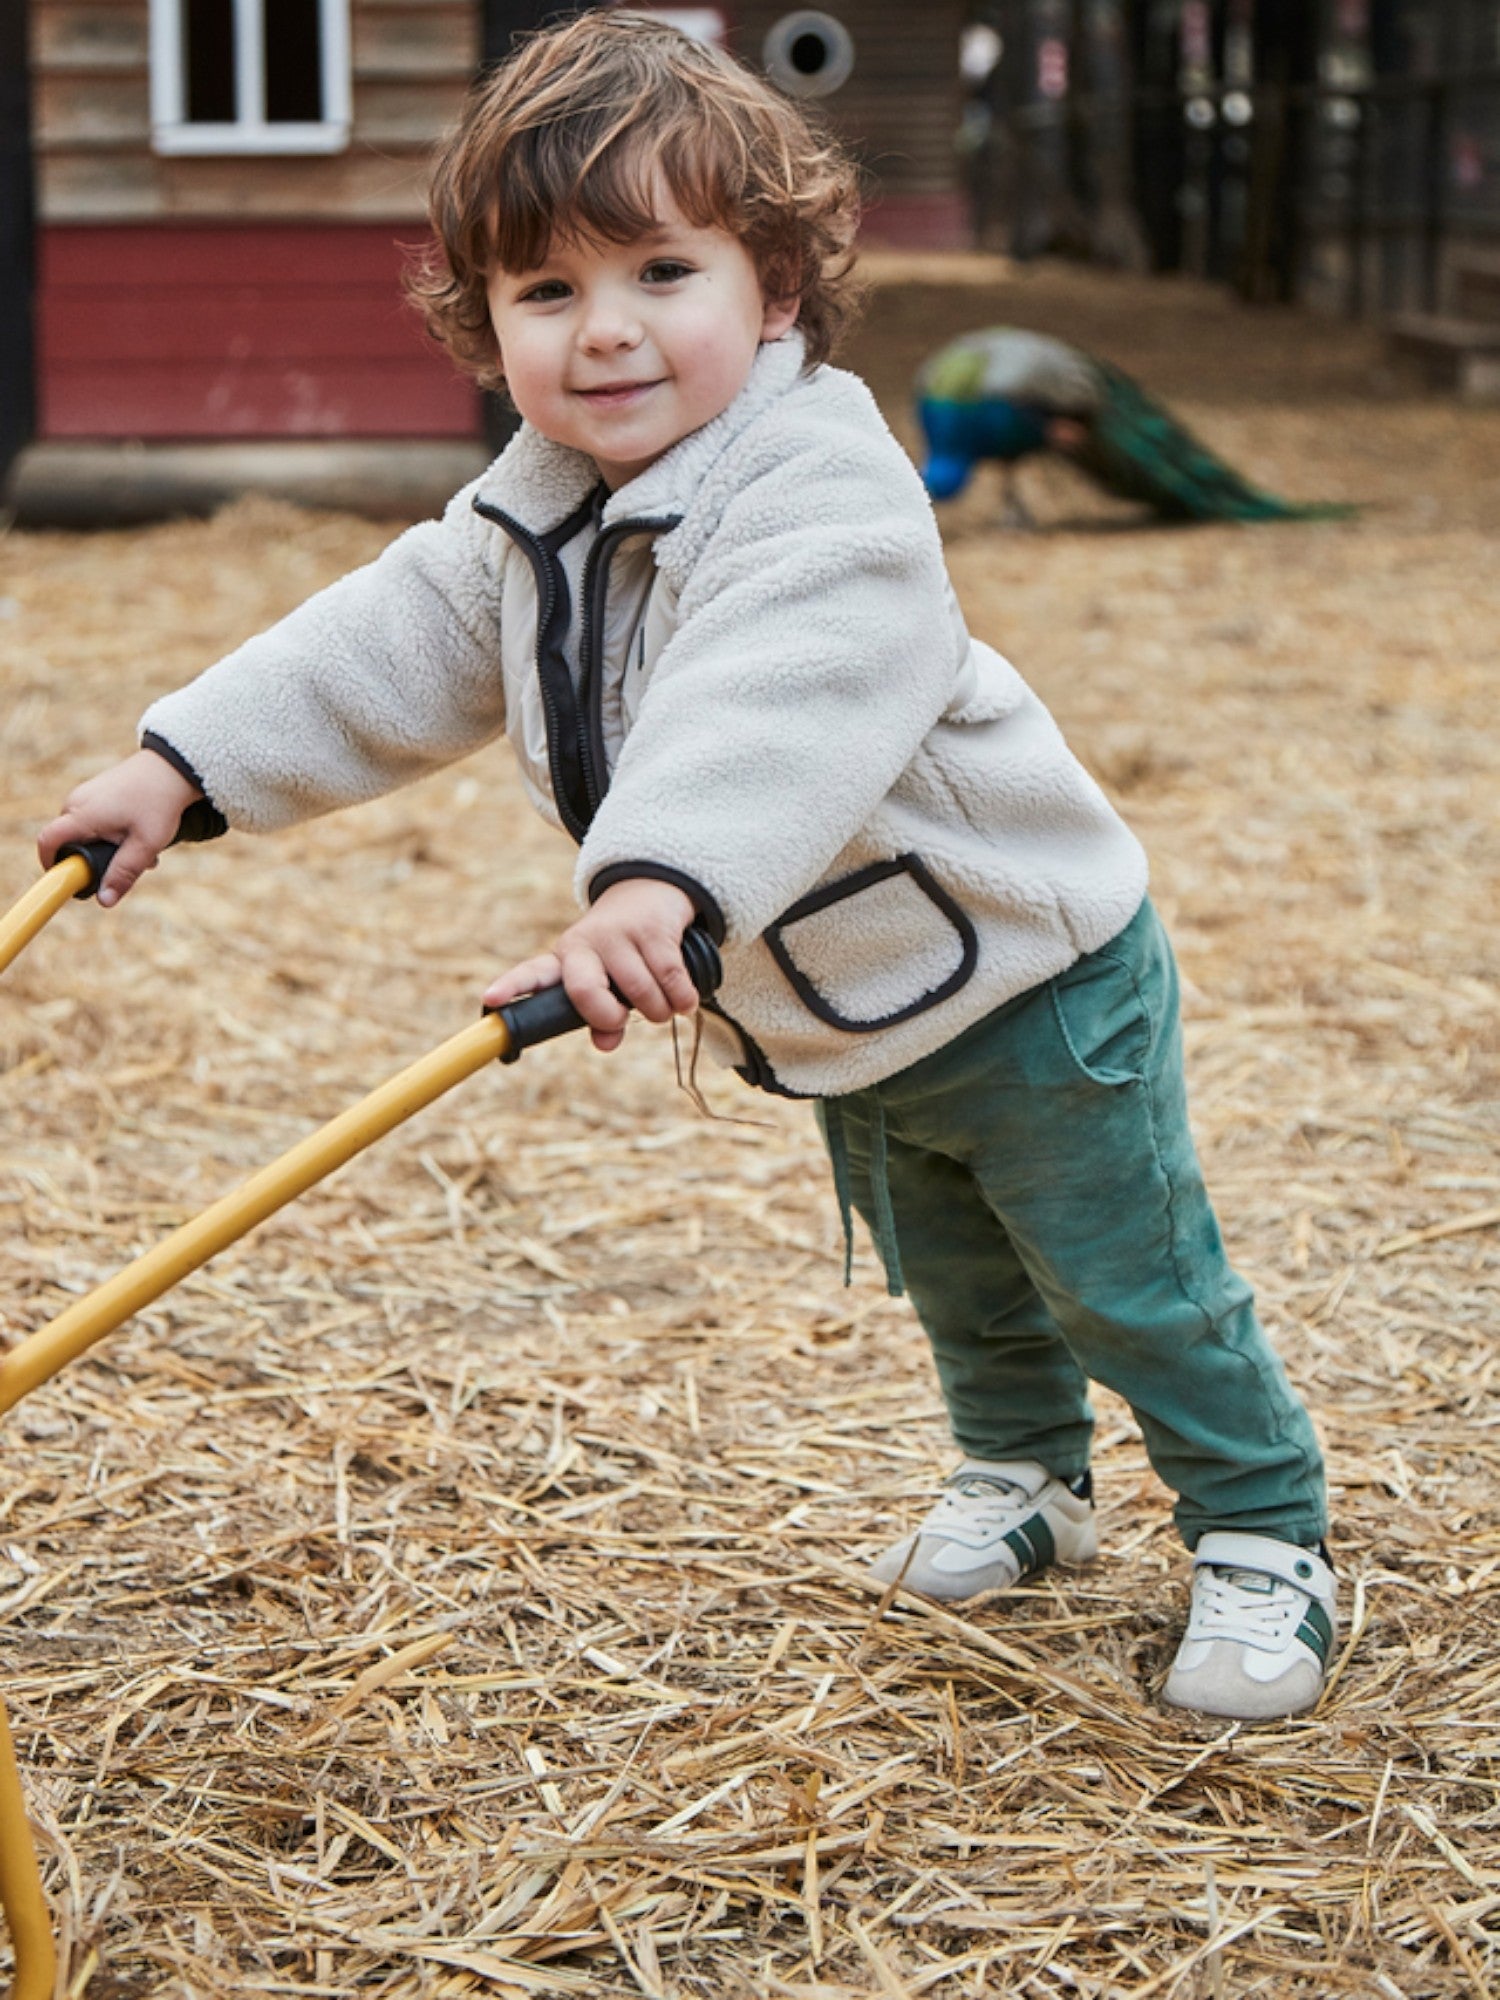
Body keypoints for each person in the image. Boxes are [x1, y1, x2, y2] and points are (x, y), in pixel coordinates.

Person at [38, 11, 1333, 1721]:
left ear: (775, 289)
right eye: (547, 290)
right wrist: (185, 763)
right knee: (955, 1272)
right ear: (485, 320)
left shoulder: (827, 493)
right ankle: (1029, 1474)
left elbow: (774, 700)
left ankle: (1263, 1531)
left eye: (661, 272)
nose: (606, 330)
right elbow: (395, 638)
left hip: (1031, 986)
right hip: (849, 1001)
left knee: (1129, 1286)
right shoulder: (538, 501)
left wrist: (652, 883)